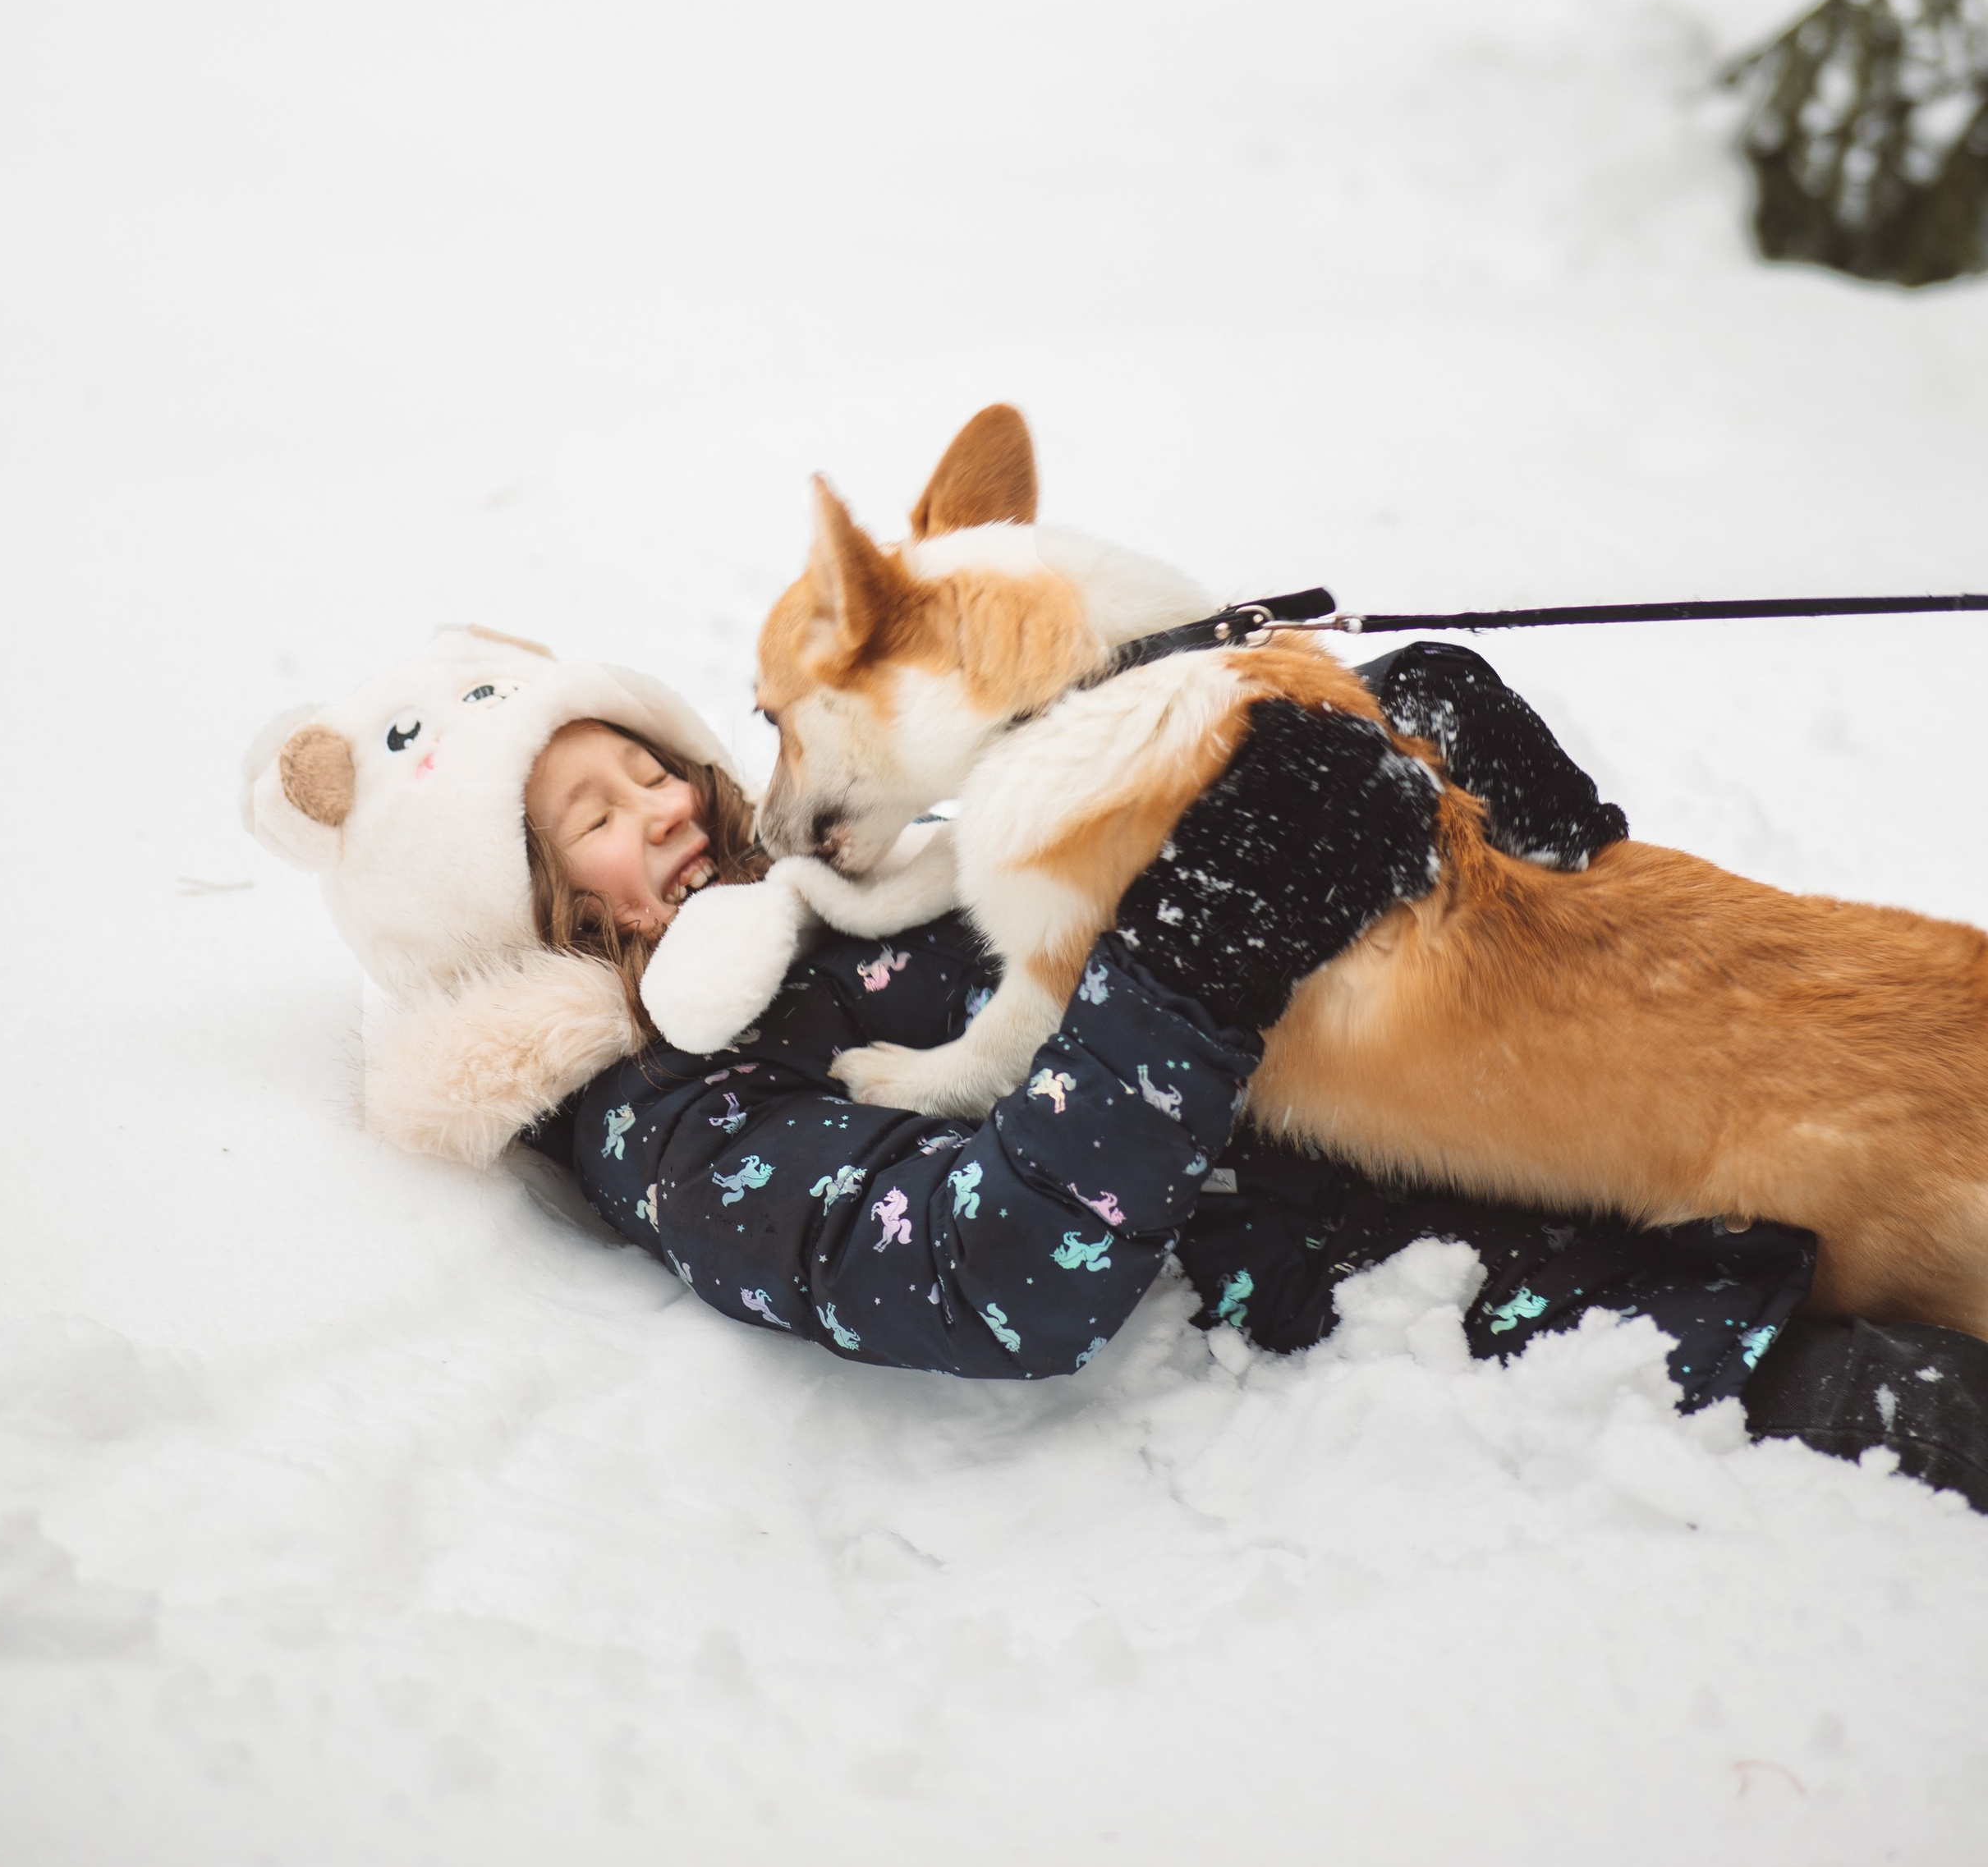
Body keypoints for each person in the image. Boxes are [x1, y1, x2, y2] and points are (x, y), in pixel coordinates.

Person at [507, 643, 1988, 1502]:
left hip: (1628, 1077)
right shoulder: (676, 1121)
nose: (664, 801)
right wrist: (1194, 956)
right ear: (533, 903)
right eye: (596, 812)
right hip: (1511, 1298)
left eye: (652, 764)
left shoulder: (876, 875)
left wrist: (1393, 740)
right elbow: (983, 1273)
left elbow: (1164, 815)